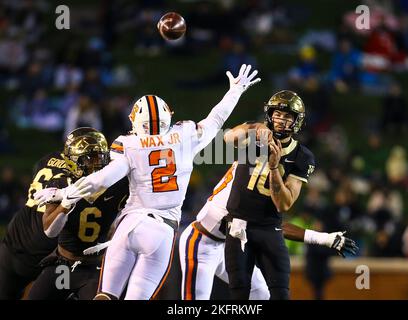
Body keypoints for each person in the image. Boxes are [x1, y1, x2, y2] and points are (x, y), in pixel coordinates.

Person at [54, 64, 261, 300]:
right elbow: (216, 118)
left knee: (105, 296)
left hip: (130, 224)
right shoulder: (185, 135)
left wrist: (64, 193)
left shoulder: (127, 144)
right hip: (161, 230)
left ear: (134, 120)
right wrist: (235, 90)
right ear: (169, 116)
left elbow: (102, 179)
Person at [179, 161, 358, 300]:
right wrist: (322, 238)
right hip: (201, 242)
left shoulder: (249, 172)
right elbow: (272, 229)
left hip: (227, 247)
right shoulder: (245, 190)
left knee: (261, 293)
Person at [223, 90, 315, 300]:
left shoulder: (302, 156)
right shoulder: (254, 136)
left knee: (281, 294)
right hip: (239, 226)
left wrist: (274, 168)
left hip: (269, 228)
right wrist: (254, 127)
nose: (281, 120)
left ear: (296, 121)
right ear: (269, 114)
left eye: (287, 116)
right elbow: (228, 138)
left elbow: (285, 204)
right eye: (277, 114)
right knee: (239, 296)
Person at [26, 127, 129, 300]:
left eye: (100, 157)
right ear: (73, 161)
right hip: (64, 268)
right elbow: (50, 231)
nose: (97, 164)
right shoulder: (61, 183)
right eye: (90, 159)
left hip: (94, 269)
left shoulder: (117, 185)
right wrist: (66, 202)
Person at [0, 148, 68, 299]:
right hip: (52, 256)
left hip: (15, 240)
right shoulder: (81, 176)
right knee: (64, 290)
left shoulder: (48, 158)